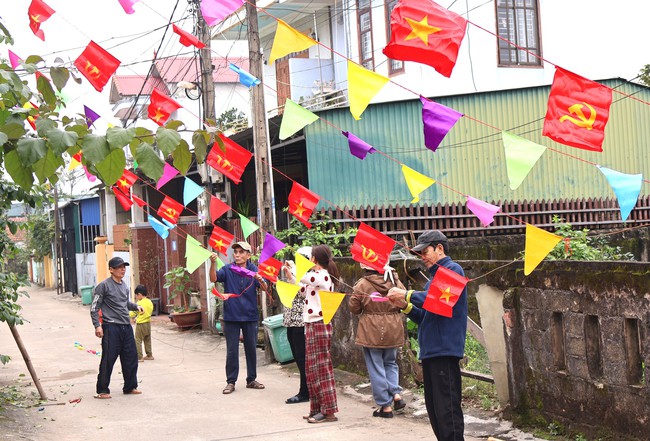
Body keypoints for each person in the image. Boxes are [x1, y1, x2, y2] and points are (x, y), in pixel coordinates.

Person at [387, 230, 468, 441]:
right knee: (435, 412)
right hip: (431, 351)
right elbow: (425, 316)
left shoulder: (453, 269)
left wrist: (406, 294)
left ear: (439, 248)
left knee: (447, 410)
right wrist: (405, 306)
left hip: (444, 350)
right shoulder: (435, 278)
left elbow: (438, 300)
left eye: (425, 251)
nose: (422, 257)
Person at [210, 241, 268, 394]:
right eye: (235, 252)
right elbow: (213, 278)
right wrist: (213, 263)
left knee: (251, 349)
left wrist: (261, 281)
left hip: (250, 316)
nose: (237, 255)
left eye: (241, 252)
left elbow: (265, 288)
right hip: (231, 316)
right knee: (232, 350)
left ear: (248, 255)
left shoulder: (253, 269)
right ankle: (231, 382)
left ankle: (251, 379)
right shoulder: (228, 269)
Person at [349, 263, 407, 418]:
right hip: (393, 327)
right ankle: (396, 394)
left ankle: (385, 406)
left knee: (376, 366)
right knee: (390, 362)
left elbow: (354, 308)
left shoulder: (362, 284)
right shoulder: (394, 280)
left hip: (371, 329)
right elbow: (404, 300)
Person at [90, 256, 143, 399]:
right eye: (119, 267)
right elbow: (94, 307)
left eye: (124, 267)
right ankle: (102, 390)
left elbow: (125, 303)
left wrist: (136, 306)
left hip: (126, 327)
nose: (123, 269)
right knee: (108, 359)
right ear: (111, 270)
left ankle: (130, 386)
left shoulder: (124, 286)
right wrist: (97, 326)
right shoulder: (103, 286)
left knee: (131, 357)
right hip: (111, 327)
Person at [299, 244, 339, 424]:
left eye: (310, 257)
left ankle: (328, 411)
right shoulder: (315, 276)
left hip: (320, 324)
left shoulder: (322, 275)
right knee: (311, 368)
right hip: (311, 324)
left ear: (314, 259)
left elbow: (305, 278)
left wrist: (294, 269)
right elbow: (300, 286)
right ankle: (316, 408)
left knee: (322, 368)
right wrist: (290, 274)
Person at [281, 246, 311, 405]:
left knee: (302, 358)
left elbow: (303, 292)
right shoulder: (296, 273)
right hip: (290, 321)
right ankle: (305, 390)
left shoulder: (310, 276)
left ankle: (305, 392)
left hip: (302, 322)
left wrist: (292, 274)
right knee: (298, 358)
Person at [130, 284, 154, 362]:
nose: (136, 297)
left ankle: (139, 357)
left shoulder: (139, 303)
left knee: (138, 340)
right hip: (148, 323)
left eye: (136, 295)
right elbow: (146, 312)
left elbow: (133, 313)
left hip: (141, 324)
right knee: (147, 339)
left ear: (139, 294)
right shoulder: (149, 302)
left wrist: (128, 314)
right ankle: (149, 355)